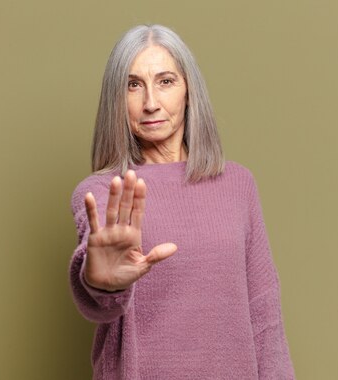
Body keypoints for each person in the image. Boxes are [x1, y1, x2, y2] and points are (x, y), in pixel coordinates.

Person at [69, 24, 295, 380]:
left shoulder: (238, 184)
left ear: (189, 90)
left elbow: (265, 316)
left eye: (165, 81)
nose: (151, 103)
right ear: (117, 98)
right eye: (133, 85)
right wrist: (102, 283)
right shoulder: (103, 191)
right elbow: (100, 296)